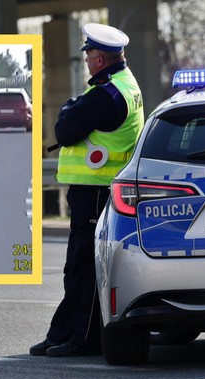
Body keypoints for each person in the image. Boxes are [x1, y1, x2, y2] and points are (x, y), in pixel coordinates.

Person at [30, 23, 145, 357]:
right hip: (96, 191)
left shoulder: (108, 94)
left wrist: (68, 108)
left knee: (84, 268)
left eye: (88, 56)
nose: (86, 61)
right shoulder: (124, 84)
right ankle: (62, 333)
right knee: (78, 268)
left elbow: (64, 130)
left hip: (95, 190)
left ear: (97, 58)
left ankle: (84, 339)